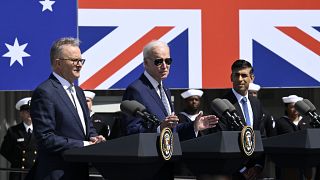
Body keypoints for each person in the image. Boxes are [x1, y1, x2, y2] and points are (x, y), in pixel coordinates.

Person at [122, 40, 218, 179]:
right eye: (158, 61)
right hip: (149, 168)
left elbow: (172, 130)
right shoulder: (136, 89)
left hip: (166, 164)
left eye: (168, 61)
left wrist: (194, 126)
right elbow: (131, 131)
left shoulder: (165, 89)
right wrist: (159, 128)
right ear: (146, 63)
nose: (164, 66)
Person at [30, 37, 105, 180]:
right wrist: (83, 144)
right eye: (74, 60)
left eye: (81, 60)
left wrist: (94, 138)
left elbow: (87, 127)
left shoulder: (79, 92)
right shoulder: (45, 92)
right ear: (58, 63)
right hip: (58, 173)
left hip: (79, 171)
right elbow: (46, 138)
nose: (79, 65)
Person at [216, 59, 265, 180]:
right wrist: (242, 170)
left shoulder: (256, 103)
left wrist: (258, 166)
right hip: (231, 172)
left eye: (244, 75)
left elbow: (261, 137)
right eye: (236, 75)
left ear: (251, 78)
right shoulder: (222, 104)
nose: (240, 79)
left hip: (254, 172)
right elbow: (222, 140)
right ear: (231, 77)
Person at [275, 95, 313, 180]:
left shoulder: (307, 121)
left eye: (297, 107)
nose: (295, 110)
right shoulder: (280, 122)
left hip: (305, 160)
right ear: (286, 108)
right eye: (292, 107)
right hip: (288, 161)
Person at [0, 97, 37, 180]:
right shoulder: (13, 131)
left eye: (32, 111)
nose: (30, 114)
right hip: (19, 174)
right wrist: (18, 162)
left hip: (36, 173)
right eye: (27, 111)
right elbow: (4, 150)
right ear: (21, 113)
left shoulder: (39, 131)